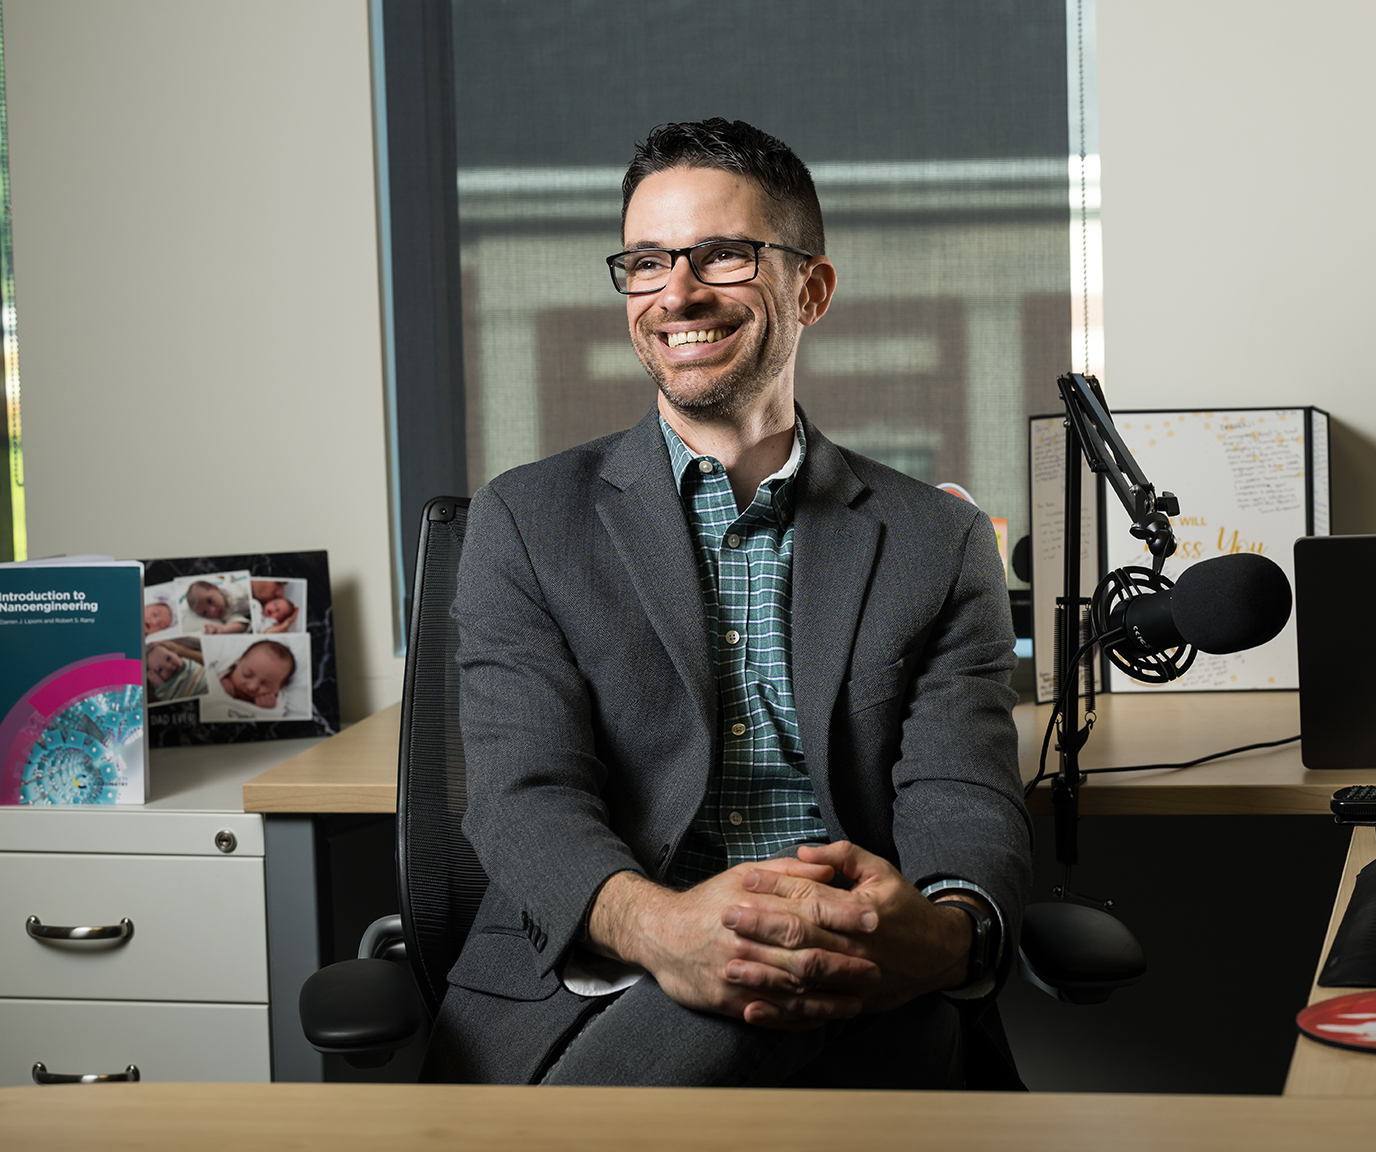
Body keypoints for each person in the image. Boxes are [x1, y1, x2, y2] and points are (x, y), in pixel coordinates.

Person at [424, 119, 1027, 1089]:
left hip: (859, 962)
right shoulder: (528, 520)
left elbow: (962, 797)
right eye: (647, 261)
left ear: (810, 289)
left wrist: (947, 932)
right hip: (611, 978)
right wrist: (666, 929)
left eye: (723, 255)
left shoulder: (937, 541)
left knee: (845, 1009)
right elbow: (524, 799)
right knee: (763, 1031)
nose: (678, 292)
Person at [217, 639, 295, 710]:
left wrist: (266, 711)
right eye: (246, 675)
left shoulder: (275, 704)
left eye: (266, 684)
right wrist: (218, 685)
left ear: (280, 687)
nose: (252, 687)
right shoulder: (223, 676)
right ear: (239, 662)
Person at [184, 579, 249, 634]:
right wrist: (223, 630)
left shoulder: (233, 588)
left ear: (216, 588)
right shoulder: (225, 615)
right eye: (205, 612)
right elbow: (242, 625)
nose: (212, 610)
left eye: (210, 601)